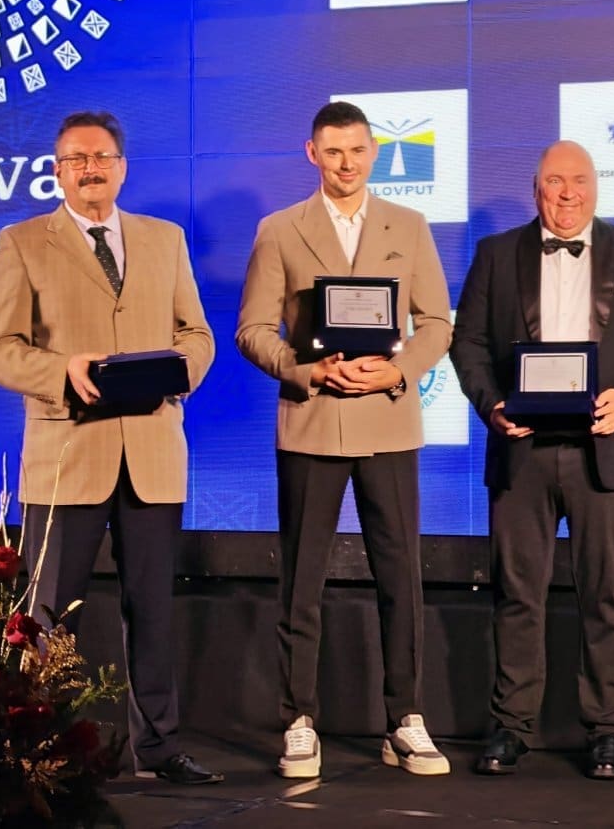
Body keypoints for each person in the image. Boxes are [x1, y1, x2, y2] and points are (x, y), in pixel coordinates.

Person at [0, 111, 219, 785]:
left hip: (151, 455)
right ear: (58, 172)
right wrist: (63, 371)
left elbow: (197, 333)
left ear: (123, 167)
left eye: (103, 157)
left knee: (154, 613)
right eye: (77, 159)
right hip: (67, 457)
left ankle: (160, 749)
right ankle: (38, 752)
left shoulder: (164, 239)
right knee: (49, 619)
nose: (91, 169)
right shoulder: (23, 242)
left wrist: (176, 371)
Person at [235, 102, 453, 779]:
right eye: (333, 152)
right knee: (301, 582)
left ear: (375, 152)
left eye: (357, 150)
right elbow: (252, 330)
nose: (346, 163)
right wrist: (306, 370)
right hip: (311, 422)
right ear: (312, 154)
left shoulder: (408, 226)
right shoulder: (280, 229)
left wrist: (400, 370)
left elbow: (437, 322)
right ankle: (298, 720)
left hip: (388, 420)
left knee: (400, 578)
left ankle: (405, 719)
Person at [449, 140, 614, 779]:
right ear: (536, 188)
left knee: (607, 597)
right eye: (554, 182)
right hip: (522, 450)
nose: (567, 194)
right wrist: (492, 405)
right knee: (517, 595)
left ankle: (607, 731)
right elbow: (467, 343)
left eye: (579, 181)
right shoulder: (496, 254)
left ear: (597, 186)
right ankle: (512, 726)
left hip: (604, 452)